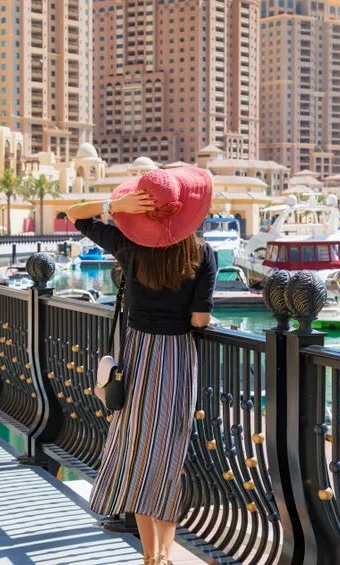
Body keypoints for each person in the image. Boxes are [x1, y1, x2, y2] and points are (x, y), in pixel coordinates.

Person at [65, 167, 217, 565]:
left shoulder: (128, 246)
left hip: (137, 355)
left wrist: (114, 206)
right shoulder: (203, 254)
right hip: (178, 357)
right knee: (168, 457)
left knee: (138, 452)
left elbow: (75, 214)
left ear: (141, 208)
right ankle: (165, 553)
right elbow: (200, 320)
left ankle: (152, 555)